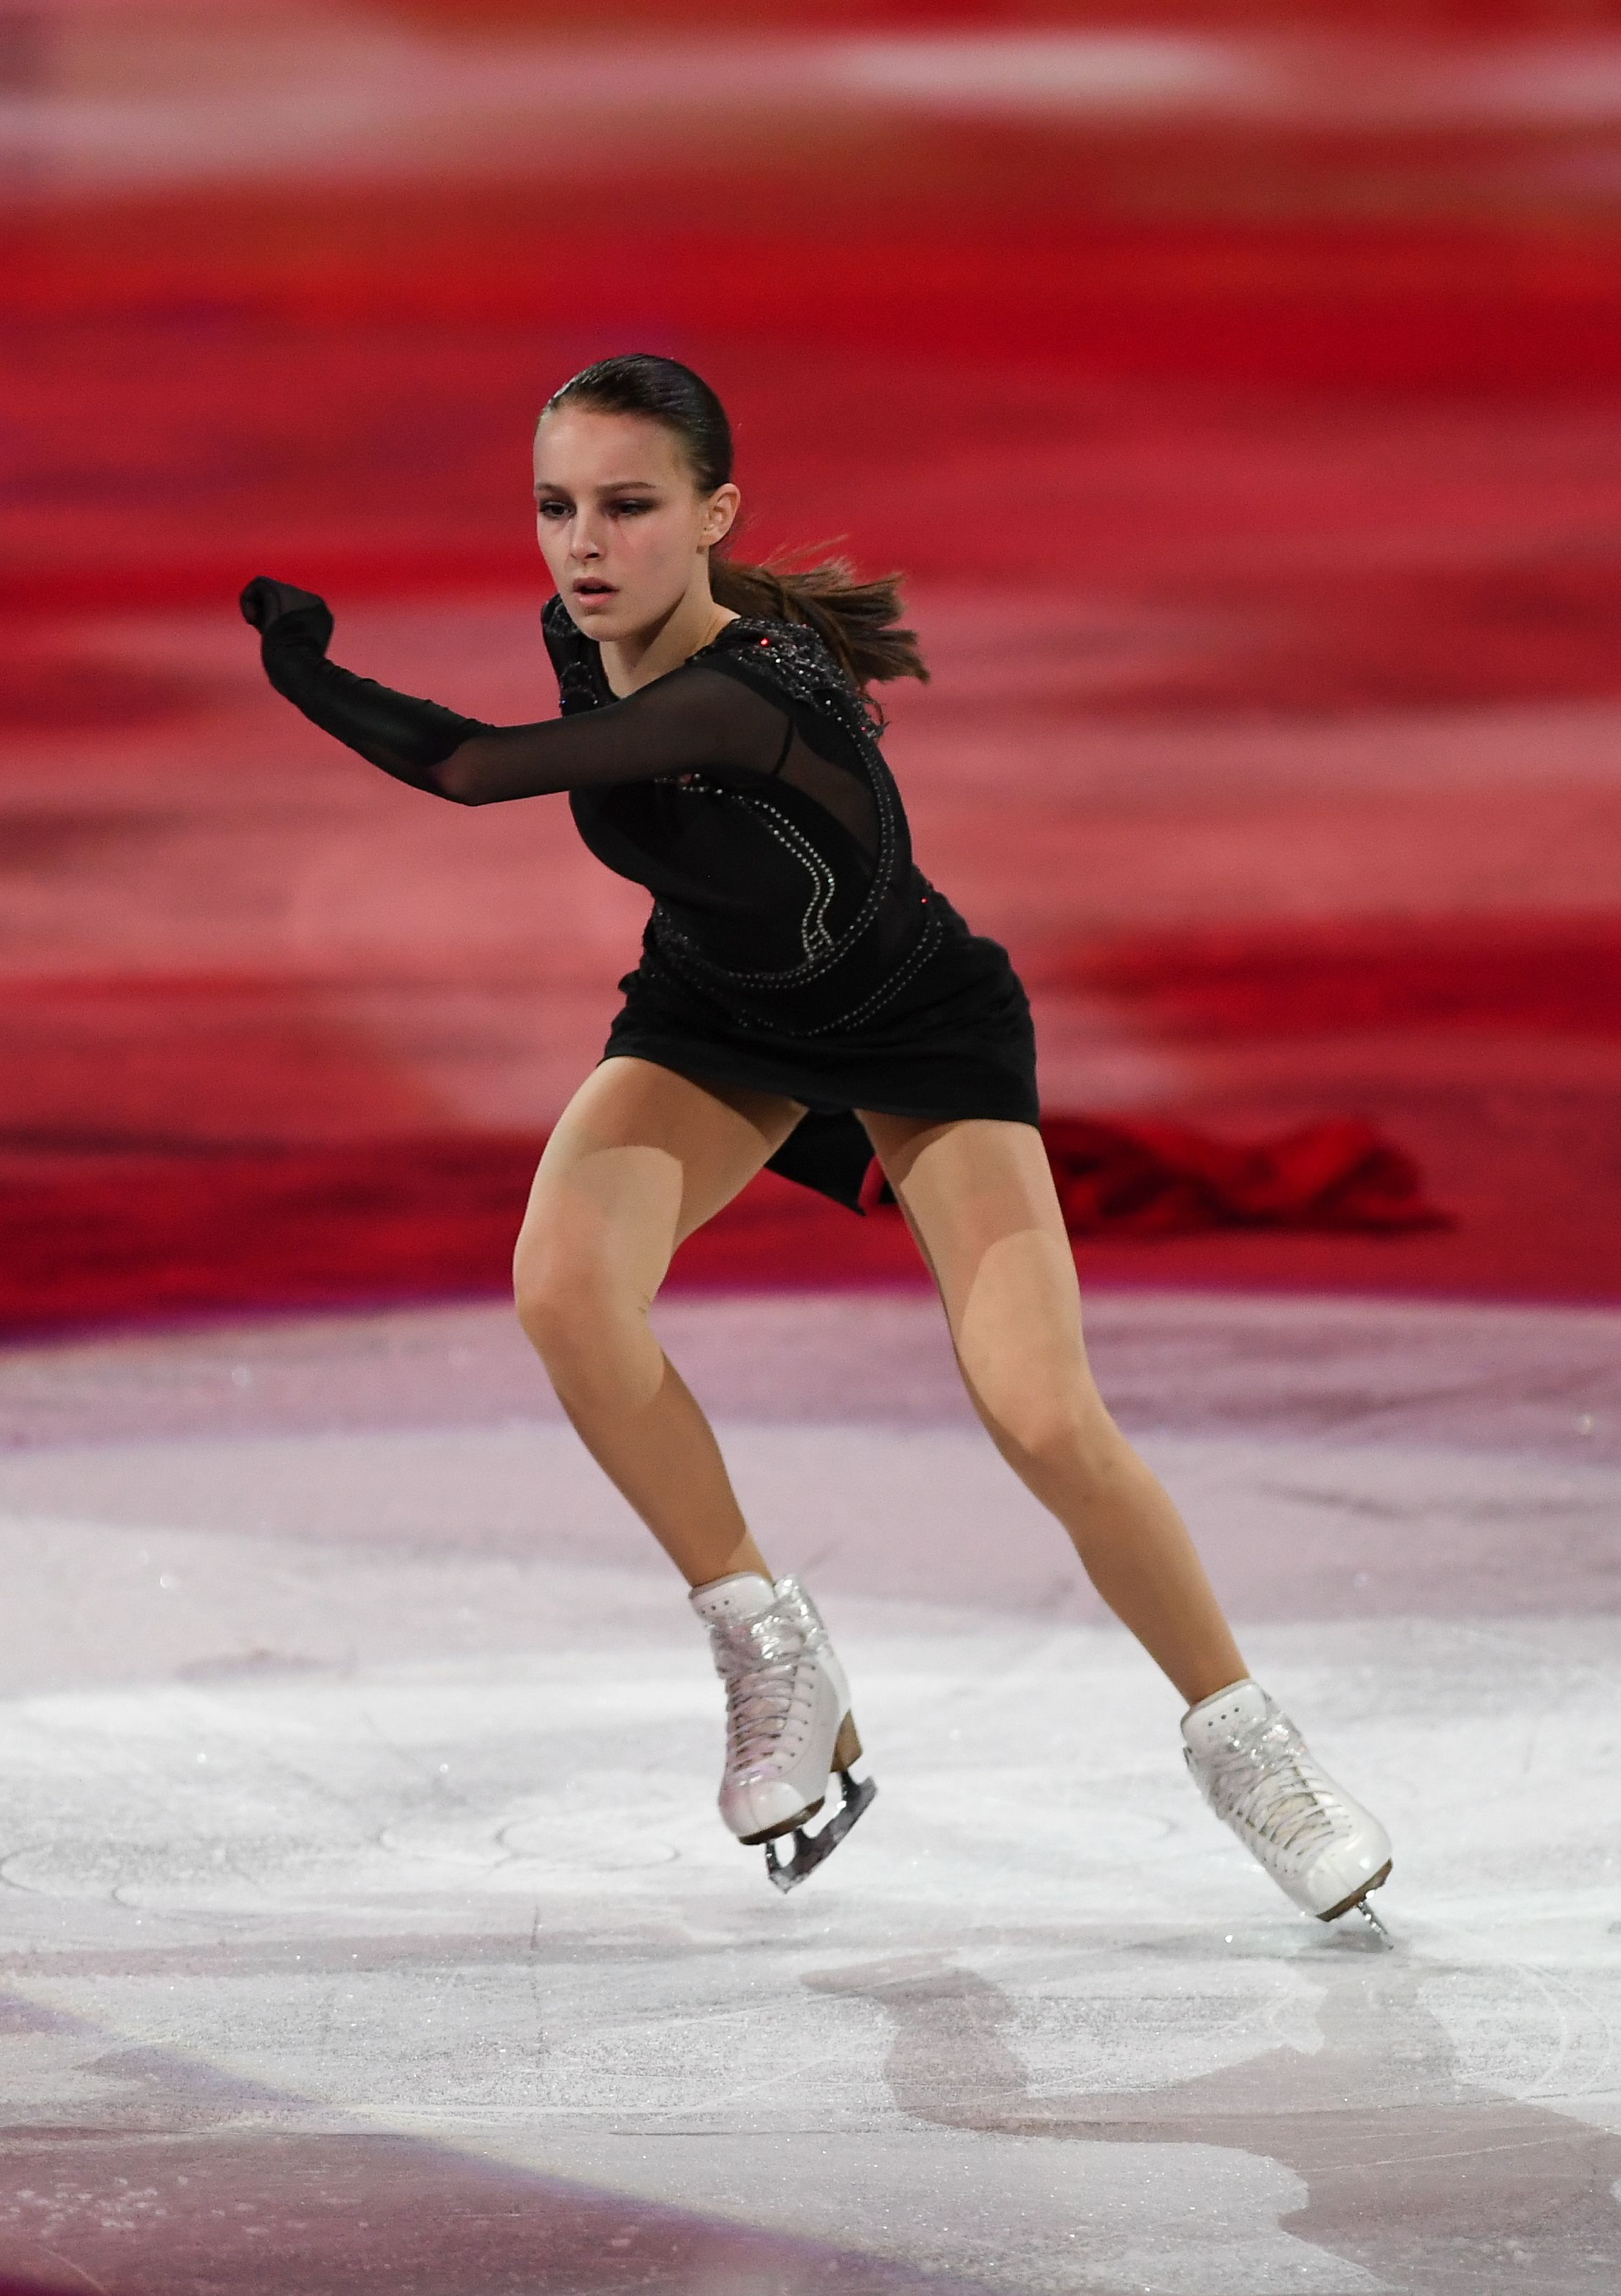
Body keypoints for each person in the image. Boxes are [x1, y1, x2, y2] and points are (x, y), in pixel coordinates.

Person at [239, 352, 1391, 1924]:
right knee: (566, 1291)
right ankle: (769, 1647)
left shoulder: (748, 693)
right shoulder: (587, 635)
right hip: (715, 1013)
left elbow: (471, 768)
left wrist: (300, 668)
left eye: (628, 508)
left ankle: (1249, 1747)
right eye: (556, 508)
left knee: (1042, 1415)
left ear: (714, 515)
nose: (585, 546)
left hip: (916, 1029)